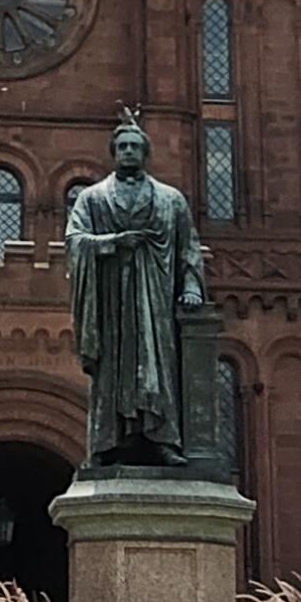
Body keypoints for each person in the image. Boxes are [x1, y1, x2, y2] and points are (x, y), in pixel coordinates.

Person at [62, 111, 208, 468]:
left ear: (145, 153)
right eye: (122, 146)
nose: (128, 151)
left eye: (135, 146)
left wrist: (191, 287)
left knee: (157, 366)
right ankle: (110, 442)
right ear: (114, 152)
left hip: (155, 302)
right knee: (113, 369)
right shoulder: (93, 198)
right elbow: (74, 240)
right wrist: (115, 242)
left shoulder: (171, 199)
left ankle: (163, 441)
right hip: (110, 301)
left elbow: (188, 246)